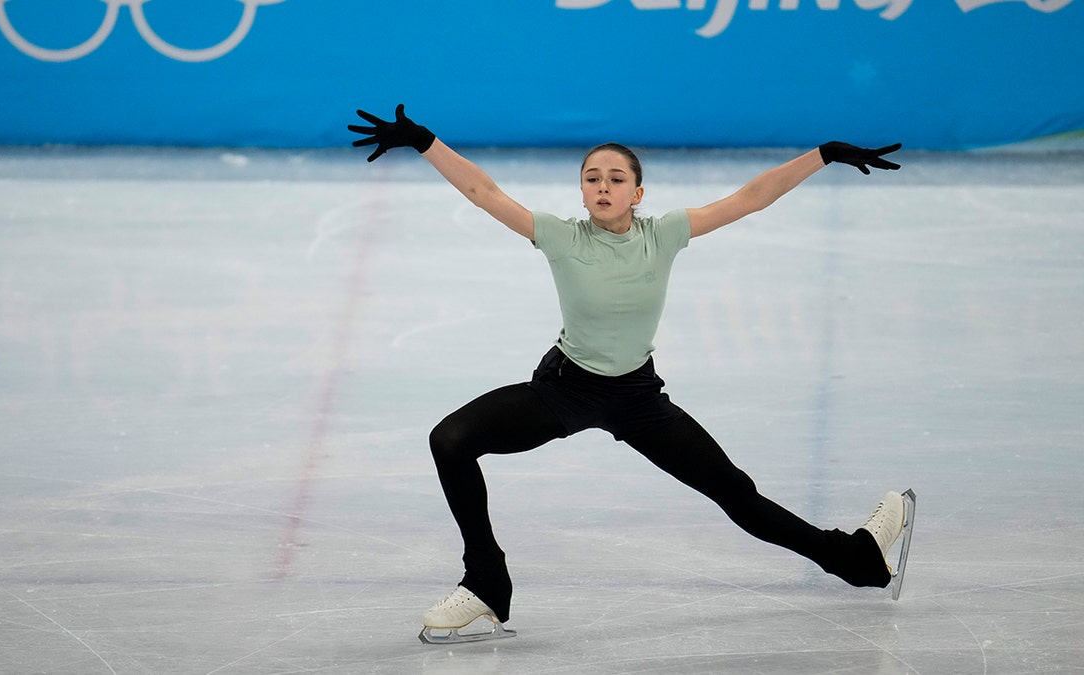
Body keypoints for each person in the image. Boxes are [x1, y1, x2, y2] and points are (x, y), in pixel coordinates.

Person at [348, 105, 913, 644]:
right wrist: (426, 142)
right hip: (566, 389)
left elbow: (750, 198)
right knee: (450, 440)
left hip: (637, 398)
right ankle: (486, 581)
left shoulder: (663, 233)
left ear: (637, 194)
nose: (602, 185)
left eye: (616, 178)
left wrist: (823, 154)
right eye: (591, 177)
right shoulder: (562, 237)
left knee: (735, 494)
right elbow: (484, 192)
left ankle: (858, 559)